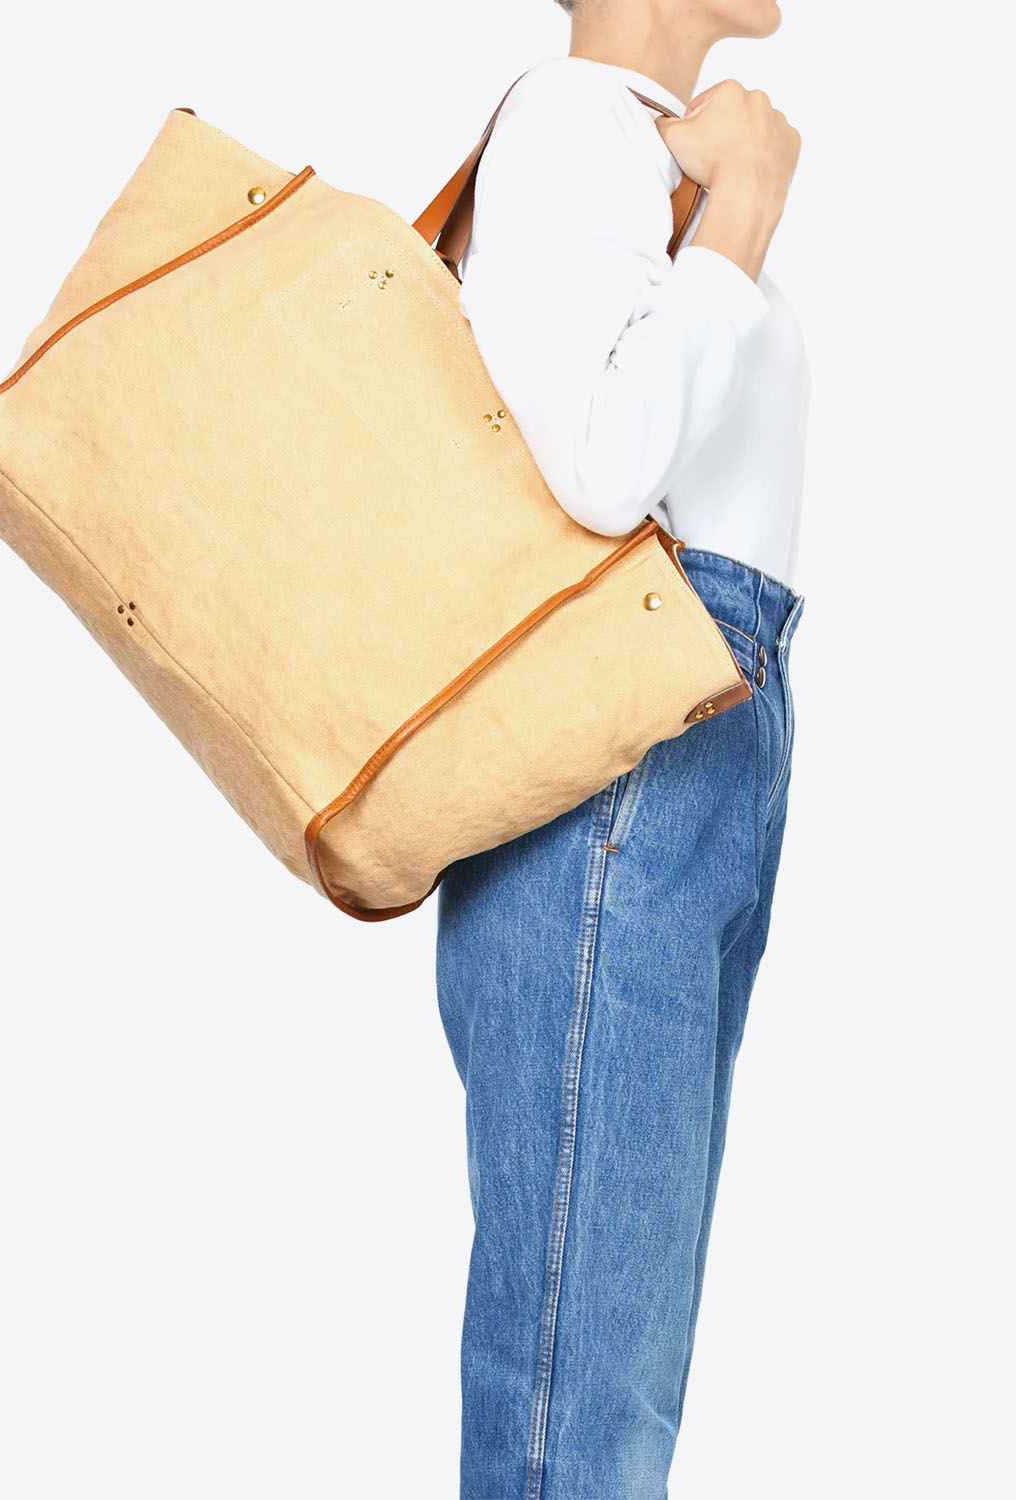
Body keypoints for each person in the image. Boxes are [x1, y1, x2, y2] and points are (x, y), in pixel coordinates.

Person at [434, 2, 808, 1496]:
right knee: (580, 1430)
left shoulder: (634, 144)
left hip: (693, 748)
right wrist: (746, 204)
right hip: (620, 770)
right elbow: (601, 462)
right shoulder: (572, 124)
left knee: (607, 1408)